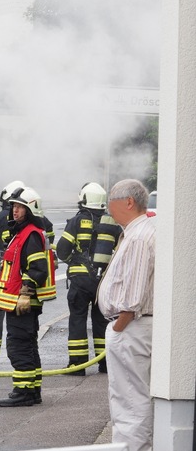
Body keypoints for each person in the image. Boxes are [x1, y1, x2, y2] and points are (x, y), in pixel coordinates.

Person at [97, 179, 155, 451]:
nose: (108, 207)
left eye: (112, 200)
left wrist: (119, 326)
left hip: (131, 327)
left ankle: (133, 448)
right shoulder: (139, 232)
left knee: (130, 400)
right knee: (129, 397)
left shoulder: (140, 236)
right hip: (132, 327)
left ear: (128, 202)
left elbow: (133, 296)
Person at [0, 181, 55, 372]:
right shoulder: (42, 221)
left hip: (6, 275)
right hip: (31, 281)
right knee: (26, 331)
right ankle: (29, 370)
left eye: (16, 206)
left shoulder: (1, 218)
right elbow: (48, 243)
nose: (13, 210)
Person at [0, 186, 56, 407]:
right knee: (27, 345)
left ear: (30, 210)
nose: (15, 211)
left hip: (23, 302)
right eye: (14, 207)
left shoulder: (30, 235)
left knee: (19, 345)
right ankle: (32, 390)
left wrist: (26, 293)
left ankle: (24, 392)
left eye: (20, 207)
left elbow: (38, 267)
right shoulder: (21, 233)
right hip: (18, 302)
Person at [56, 182, 122, 375]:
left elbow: (62, 251)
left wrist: (73, 261)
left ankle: (77, 366)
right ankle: (105, 363)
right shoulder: (111, 223)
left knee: (77, 319)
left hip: (80, 281)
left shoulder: (77, 222)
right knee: (101, 320)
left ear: (84, 199)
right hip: (103, 281)